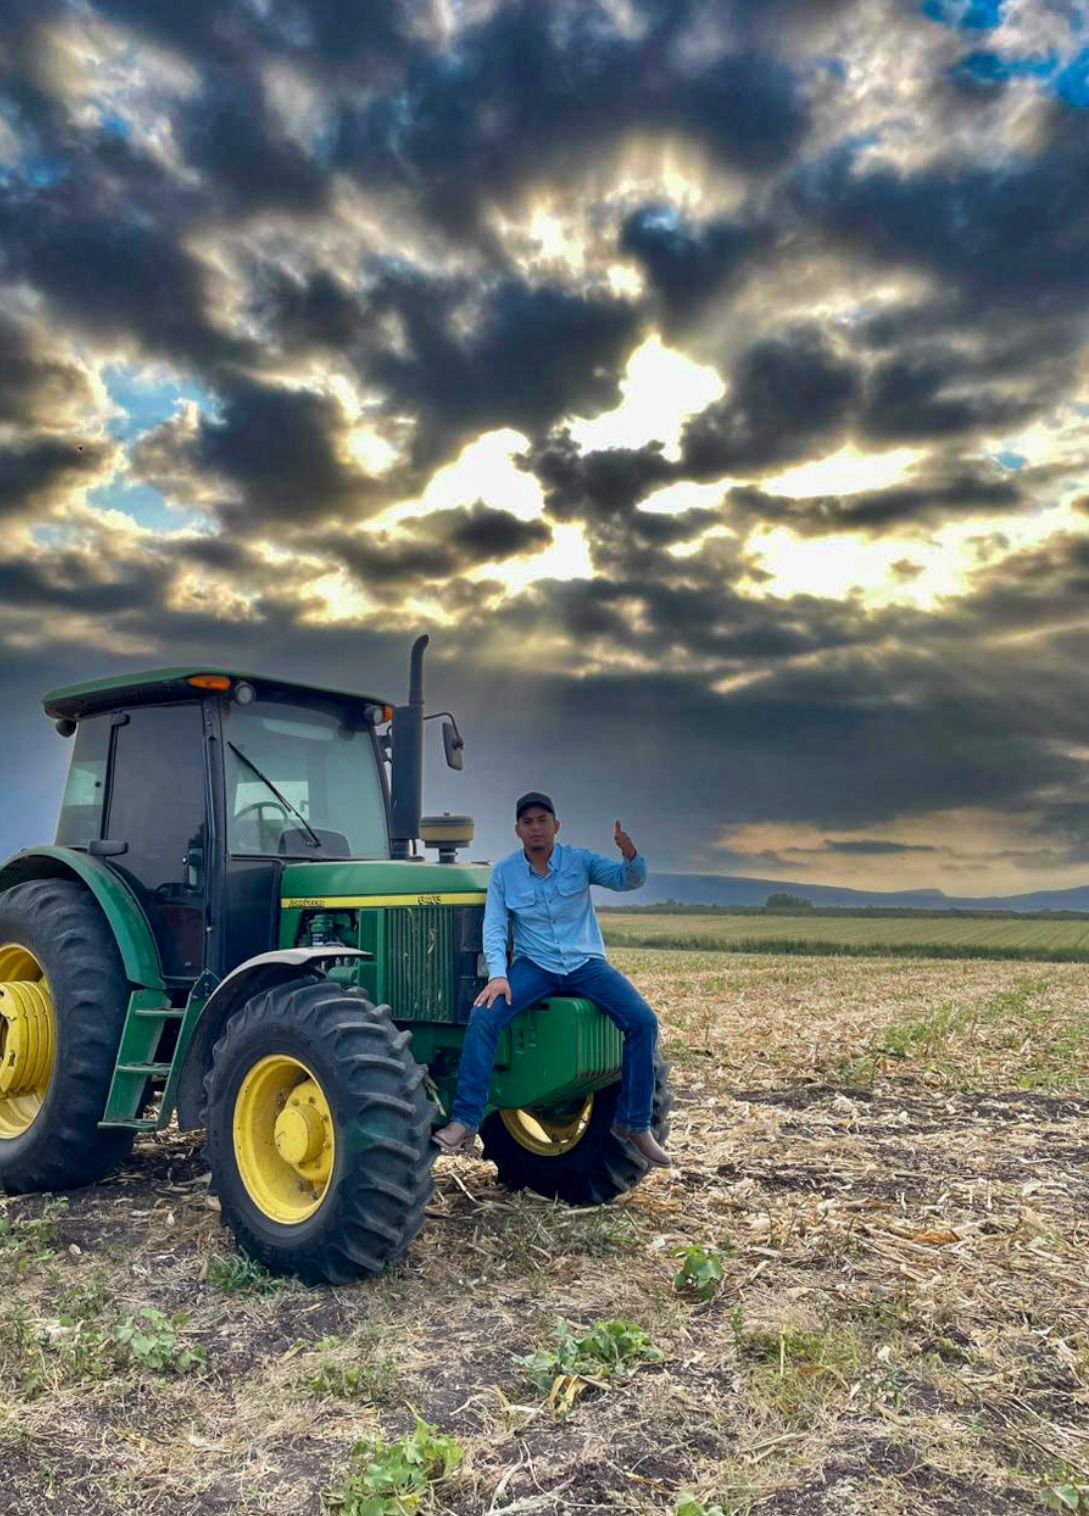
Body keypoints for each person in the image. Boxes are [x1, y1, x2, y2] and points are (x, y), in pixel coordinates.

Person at [432, 791, 670, 1167]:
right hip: (536, 966)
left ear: (556, 826)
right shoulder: (506, 873)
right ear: (518, 830)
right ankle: (465, 1121)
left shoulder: (580, 860)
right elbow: (494, 926)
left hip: (584, 964)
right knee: (484, 1017)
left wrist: (629, 855)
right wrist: (498, 975)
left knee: (642, 1021)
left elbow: (629, 880)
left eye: (542, 820)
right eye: (528, 822)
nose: (536, 827)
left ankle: (635, 1124)